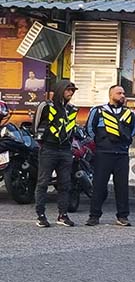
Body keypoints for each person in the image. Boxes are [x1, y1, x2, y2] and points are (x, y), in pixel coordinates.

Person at [85, 85, 135, 226]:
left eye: (123, 93)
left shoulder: (129, 113)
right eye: (119, 93)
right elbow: (89, 129)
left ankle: (123, 216)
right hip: (103, 154)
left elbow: (133, 131)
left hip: (121, 154)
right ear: (111, 95)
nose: (122, 95)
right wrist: (99, 144)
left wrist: (124, 145)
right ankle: (94, 216)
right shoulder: (98, 111)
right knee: (99, 186)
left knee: (122, 187)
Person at [33, 80, 78, 227]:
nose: (70, 93)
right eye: (68, 90)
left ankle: (62, 215)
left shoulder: (72, 109)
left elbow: (71, 129)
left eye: (72, 91)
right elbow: (36, 125)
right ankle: (40, 215)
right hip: (49, 148)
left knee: (65, 183)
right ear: (60, 90)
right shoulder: (46, 106)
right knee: (43, 182)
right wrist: (42, 142)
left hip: (65, 149)